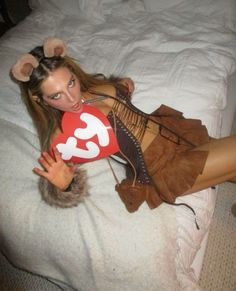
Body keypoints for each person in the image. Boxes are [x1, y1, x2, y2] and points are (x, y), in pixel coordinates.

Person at [11, 37, 236, 214]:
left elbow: (117, 89)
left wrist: (122, 86)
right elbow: (55, 182)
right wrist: (66, 185)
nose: (71, 98)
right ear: (39, 99)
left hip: (173, 133)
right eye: (56, 95)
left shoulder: (91, 88)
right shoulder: (61, 135)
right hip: (161, 167)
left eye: (71, 82)